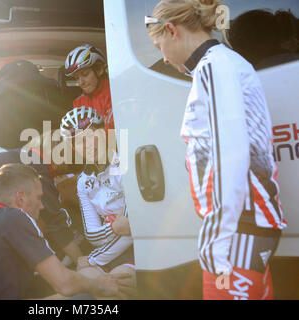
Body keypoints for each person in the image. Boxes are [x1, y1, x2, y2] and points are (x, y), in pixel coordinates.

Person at [146, 0, 287, 300]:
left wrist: (217, 237)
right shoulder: (222, 64)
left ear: (172, 30)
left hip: (239, 230)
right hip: (245, 226)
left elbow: (230, 154)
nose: (165, 58)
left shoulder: (214, 66)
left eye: (159, 46)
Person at [0, 163, 133, 300]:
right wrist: (99, 285)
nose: (42, 206)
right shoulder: (12, 216)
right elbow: (65, 284)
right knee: (91, 300)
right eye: (38, 197)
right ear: (20, 199)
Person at [60, 106, 137, 298]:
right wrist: (114, 227)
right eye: (78, 142)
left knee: (113, 289)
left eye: (91, 135)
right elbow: (93, 235)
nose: (87, 145)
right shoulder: (83, 182)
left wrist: (94, 259)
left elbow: (134, 229)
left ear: (103, 133)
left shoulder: (126, 163)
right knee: (81, 288)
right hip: (104, 251)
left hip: (134, 250)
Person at [65, 44, 115, 131]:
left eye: (85, 74)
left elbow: (115, 131)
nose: (81, 83)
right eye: (77, 78)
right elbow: (76, 132)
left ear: (99, 69)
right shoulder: (79, 102)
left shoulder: (115, 94)